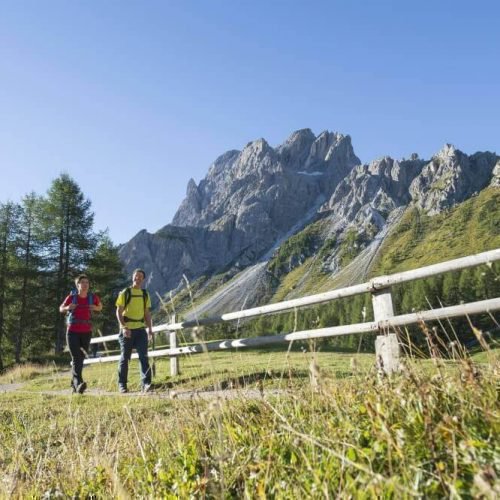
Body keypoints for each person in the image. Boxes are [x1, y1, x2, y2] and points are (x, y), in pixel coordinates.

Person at [60, 274, 102, 394]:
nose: (85, 284)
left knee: (81, 358)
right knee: (76, 357)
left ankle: (74, 384)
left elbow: (100, 307)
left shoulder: (92, 297)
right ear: (77, 285)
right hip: (72, 331)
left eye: (87, 282)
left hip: (86, 332)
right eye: (82, 282)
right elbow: (60, 308)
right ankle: (79, 383)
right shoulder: (71, 297)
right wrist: (68, 307)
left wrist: (95, 307)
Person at [116, 268, 153, 393]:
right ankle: (122, 385)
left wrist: (150, 329)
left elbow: (147, 313)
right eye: (136, 276)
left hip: (141, 330)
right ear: (132, 277)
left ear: (143, 279)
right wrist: (124, 327)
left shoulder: (145, 294)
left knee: (144, 357)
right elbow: (119, 311)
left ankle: (146, 383)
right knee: (125, 358)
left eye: (140, 277)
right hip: (127, 330)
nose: (138, 278)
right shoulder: (125, 292)